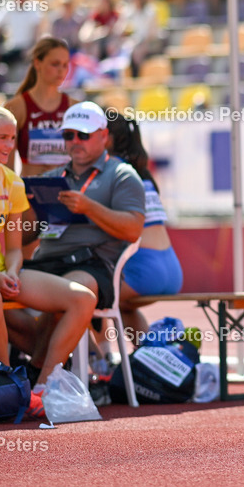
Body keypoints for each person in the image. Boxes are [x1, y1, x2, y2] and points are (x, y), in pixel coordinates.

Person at [0, 105, 97, 396]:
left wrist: (10, 271)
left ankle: (43, 386)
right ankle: (9, 389)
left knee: (82, 298)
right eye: (3, 138)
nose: (10, 146)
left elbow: (13, 248)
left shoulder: (12, 183)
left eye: (13, 138)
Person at [17, 101, 145, 376]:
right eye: (68, 135)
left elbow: (134, 229)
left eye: (83, 135)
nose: (75, 141)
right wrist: (25, 214)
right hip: (46, 264)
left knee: (73, 294)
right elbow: (28, 234)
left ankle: (42, 380)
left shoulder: (122, 175)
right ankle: (25, 372)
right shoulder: (53, 176)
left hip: (93, 266)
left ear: (103, 135)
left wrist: (89, 207)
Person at [105, 113, 183, 340]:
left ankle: (99, 360)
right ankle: (150, 358)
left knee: (84, 299)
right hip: (172, 269)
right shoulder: (143, 174)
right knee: (123, 307)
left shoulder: (114, 171)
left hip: (144, 271)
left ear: (106, 138)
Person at [4, 36, 73, 177]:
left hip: (66, 195)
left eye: (65, 65)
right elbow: (6, 168)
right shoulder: (16, 108)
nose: (61, 70)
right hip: (29, 193)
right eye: (55, 64)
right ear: (37, 63)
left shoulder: (74, 107)